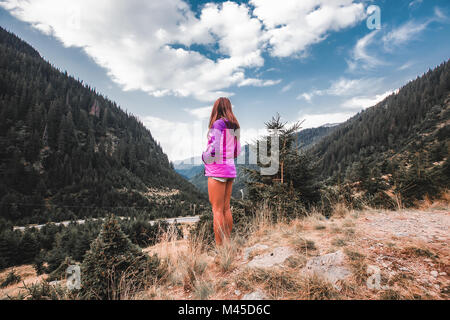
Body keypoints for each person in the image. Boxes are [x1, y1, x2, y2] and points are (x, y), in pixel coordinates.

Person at [202, 97, 241, 246]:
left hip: (217, 170)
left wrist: (204, 157)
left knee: (217, 210)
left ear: (216, 108)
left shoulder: (218, 124)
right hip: (230, 170)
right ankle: (227, 243)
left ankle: (219, 249)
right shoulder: (234, 126)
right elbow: (237, 151)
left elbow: (214, 149)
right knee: (226, 209)